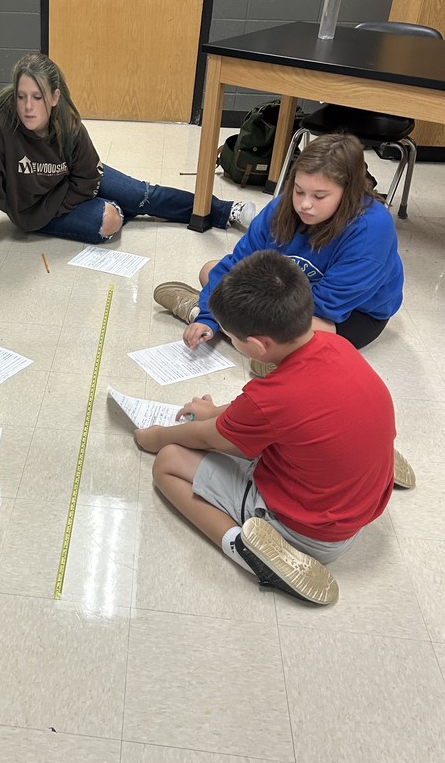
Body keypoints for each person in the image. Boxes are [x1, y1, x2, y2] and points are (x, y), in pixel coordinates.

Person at [135, 251, 404, 606]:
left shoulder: (272, 397)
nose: (231, 342)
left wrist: (154, 436)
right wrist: (214, 410)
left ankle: (243, 549)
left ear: (258, 345)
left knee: (168, 462)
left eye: (231, 338)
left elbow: (209, 438)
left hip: (311, 533)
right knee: (301, 424)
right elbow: (254, 413)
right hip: (356, 507)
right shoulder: (335, 343)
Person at [0, 52, 256, 260]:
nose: (28, 107)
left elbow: (89, 176)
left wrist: (65, 198)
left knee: (142, 194)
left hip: (71, 184)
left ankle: (221, 210)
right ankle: (124, 209)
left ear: (54, 98)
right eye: (21, 97)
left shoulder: (67, 122)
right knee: (111, 220)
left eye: (38, 97)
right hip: (34, 212)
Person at [153, 132, 404, 372]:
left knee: (310, 328)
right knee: (211, 270)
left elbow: (328, 305)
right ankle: (245, 337)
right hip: (283, 290)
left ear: (348, 193)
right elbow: (239, 263)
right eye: (299, 190)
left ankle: (234, 329)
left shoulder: (372, 229)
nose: (305, 204)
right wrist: (207, 316)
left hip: (349, 315)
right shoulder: (283, 207)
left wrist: (242, 307)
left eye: (319, 196)